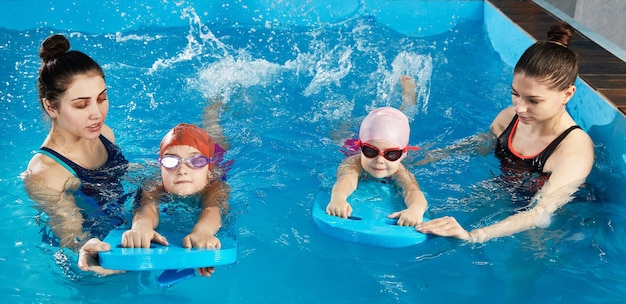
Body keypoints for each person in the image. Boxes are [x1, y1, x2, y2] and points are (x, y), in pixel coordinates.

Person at [415, 22, 595, 243]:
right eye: (515, 94)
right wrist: (427, 157)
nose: (519, 107)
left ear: (567, 94)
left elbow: (542, 213)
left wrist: (474, 236)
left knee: (520, 266)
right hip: (507, 192)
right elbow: (479, 145)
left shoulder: (574, 150)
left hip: (555, 221)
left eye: (533, 100)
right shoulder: (508, 118)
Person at [22, 34, 129, 258]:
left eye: (101, 99)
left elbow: (121, 180)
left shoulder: (105, 135)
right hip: (93, 263)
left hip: (126, 232)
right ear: (51, 107)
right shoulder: (46, 173)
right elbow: (73, 237)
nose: (97, 114)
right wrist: (86, 251)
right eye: (81, 105)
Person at [121, 122, 230, 278]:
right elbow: (148, 207)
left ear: (208, 171)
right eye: (171, 161)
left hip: (219, 159)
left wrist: (203, 232)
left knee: (216, 137)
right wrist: (140, 226)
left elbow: (212, 209)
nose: (182, 170)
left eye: (196, 161)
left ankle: (213, 110)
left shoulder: (216, 186)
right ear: (161, 169)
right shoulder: (154, 185)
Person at [325, 106, 428, 226]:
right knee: (338, 137)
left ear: (402, 154)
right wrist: (338, 198)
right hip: (350, 147)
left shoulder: (400, 171)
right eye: (370, 151)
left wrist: (415, 209)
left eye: (391, 154)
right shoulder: (354, 163)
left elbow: (412, 190)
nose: (379, 160)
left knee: (426, 158)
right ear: (361, 147)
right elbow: (347, 178)